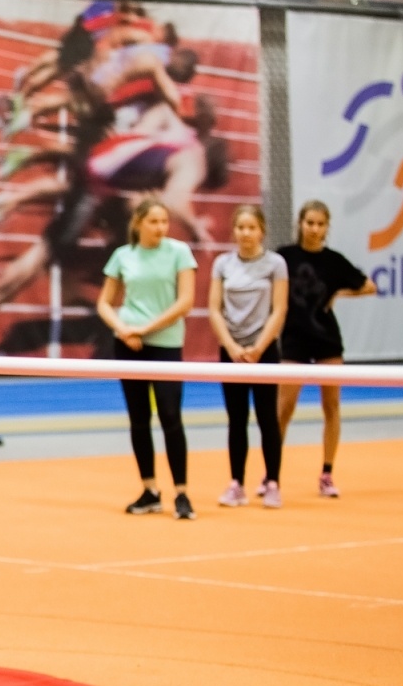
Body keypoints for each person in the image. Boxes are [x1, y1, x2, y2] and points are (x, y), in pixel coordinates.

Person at [97, 197, 197, 520]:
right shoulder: (122, 256)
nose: (160, 228)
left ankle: (182, 493)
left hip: (165, 343)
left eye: (164, 222)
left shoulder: (179, 253)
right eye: (153, 222)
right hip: (129, 345)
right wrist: (124, 329)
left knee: (170, 416)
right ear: (138, 223)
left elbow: (185, 302)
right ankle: (149, 489)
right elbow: (105, 303)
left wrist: (145, 328)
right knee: (139, 418)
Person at [275, 200, 376, 499]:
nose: (314, 229)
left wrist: (339, 293)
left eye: (320, 224)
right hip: (293, 339)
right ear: (300, 224)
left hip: (327, 341)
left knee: (331, 406)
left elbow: (369, 286)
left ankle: (327, 473)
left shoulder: (334, 261)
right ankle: (271, 473)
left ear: (327, 227)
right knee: (284, 408)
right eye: (309, 223)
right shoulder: (284, 257)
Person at [207, 206, 288, 509]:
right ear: (234, 231)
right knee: (236, 419)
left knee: (268, 419)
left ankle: (273, 483)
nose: (245, 234)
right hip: (231, 351)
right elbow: (214, 308)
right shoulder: (222, 264)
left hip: (263, 352)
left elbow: (279, 309)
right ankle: (236, 484)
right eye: (240, 228)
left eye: (251, 228)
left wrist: (258, 347)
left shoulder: (275, 264)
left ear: (261, 230)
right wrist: (230, 346)